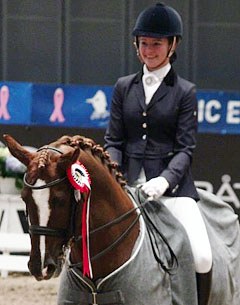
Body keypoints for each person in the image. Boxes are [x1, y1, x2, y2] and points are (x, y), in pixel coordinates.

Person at [104, 2, 212, 304]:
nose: (149, 51)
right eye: (144, 44)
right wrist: (113, 172)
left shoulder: (184, 92)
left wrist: (163, 182)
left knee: (202, 257)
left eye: (156, 44)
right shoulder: (123, 87)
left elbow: (185, 149)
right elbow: (113, 139)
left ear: (172, 45)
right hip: (125, 187)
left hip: (171, 190)